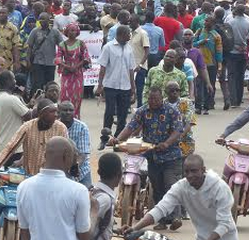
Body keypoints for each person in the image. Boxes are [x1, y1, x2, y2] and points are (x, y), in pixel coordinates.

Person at [109, 87, 184, 230]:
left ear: (162, 98)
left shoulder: (172, 111)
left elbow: (178, 130)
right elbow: (130, 127)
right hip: (151, 156)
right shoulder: (143, 111)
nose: (153, 102)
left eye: (156, 99)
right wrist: (117, 140)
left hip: (171, 157)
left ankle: (176, 217)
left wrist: (167, 143)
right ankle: (162, 220)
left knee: (170, 185)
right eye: (150, 99)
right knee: (157, 188)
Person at [0, 98, 68, 177]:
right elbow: (11, 147)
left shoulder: (61, 128)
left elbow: (66, 152)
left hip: (52, 176)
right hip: (30, 175)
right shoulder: (28, 127)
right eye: (52, 111)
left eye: (56, 111)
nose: (56, 115)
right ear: (41, 113)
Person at [95, 24, 136, 148]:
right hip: (111, 85)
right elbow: (102, 67)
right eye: (128, 34)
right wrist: (99, 85)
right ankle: (105, 138)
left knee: (123, 114)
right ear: (120, 35)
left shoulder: (129, 48)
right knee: (109, 111)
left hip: (125, 86)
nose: (130, 36)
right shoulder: (108, 47)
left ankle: (117, 140)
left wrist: (133, 89)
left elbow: (131, 70)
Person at [0, 70, 32, 156]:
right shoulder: (12, 99)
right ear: (7, 81)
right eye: (13, 79)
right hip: (13, 147)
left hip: (0, 145)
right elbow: (28, 116)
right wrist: (37, 107)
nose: (15, 82)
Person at [55, 22, 90, 118]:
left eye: (74, 30)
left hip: (77, 74)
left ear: (77, 32)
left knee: (77, 96)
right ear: (66, 32)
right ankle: (64, 116)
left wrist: (76, 66)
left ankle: (76, 117)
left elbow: (86, 58)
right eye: (70, 30)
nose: (72, 32)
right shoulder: (62, 44)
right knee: (65, 95)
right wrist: (67, 66)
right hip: (67, 74)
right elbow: (58, 59)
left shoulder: (81, 44)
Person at [27, 12, 63, 93]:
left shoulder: (55, 32)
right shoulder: (35, 31)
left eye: (43, 19)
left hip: (50, 62)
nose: (41, 21)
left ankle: (48, 100)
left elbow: (61, 45)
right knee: (37, 83)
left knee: (49, 83)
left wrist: (60, 59)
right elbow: (29, 47)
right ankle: (36, 100)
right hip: (38, 62)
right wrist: (28, 60)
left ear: (48, 20)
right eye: (40, 19)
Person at [59, 100, 92, 188]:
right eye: (65, 110)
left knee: (87, 198)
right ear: (58, 112)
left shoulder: (82, 127)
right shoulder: (55, 126)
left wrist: (74, 167)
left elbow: (83, 154)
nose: (68, 112)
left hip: (81, 171)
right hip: (60, 171)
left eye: (71, 110)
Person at [165, 80, 196, 161]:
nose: (175, 92)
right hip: (165, 141)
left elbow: (189, 122)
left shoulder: (186, 103)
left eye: (177, 90)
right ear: (166, 92)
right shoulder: (162, 103)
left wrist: (178, 137)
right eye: (172, 90)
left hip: (185, 141)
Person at [227, 4, 249, 107]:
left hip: (232, 51)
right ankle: (239, 99)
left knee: (232, 76)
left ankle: (233, 100)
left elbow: (227, 38)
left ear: (235, 11)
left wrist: (235, 46)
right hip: (243, 52)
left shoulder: (230, 22)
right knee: (240, 76)